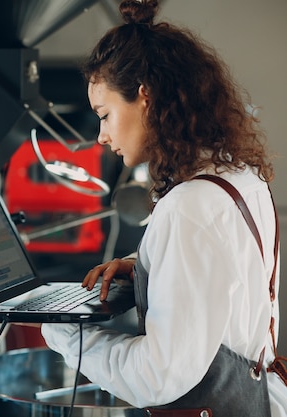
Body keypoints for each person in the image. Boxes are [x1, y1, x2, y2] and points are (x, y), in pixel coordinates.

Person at [39, 0, 287, 415]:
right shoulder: (239, 175)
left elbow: (158, 376)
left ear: (145, 98)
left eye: (104, 114)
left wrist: (61, 332)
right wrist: (144, 264)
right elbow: (226, 274)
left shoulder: (187, 206)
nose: (100, 135)